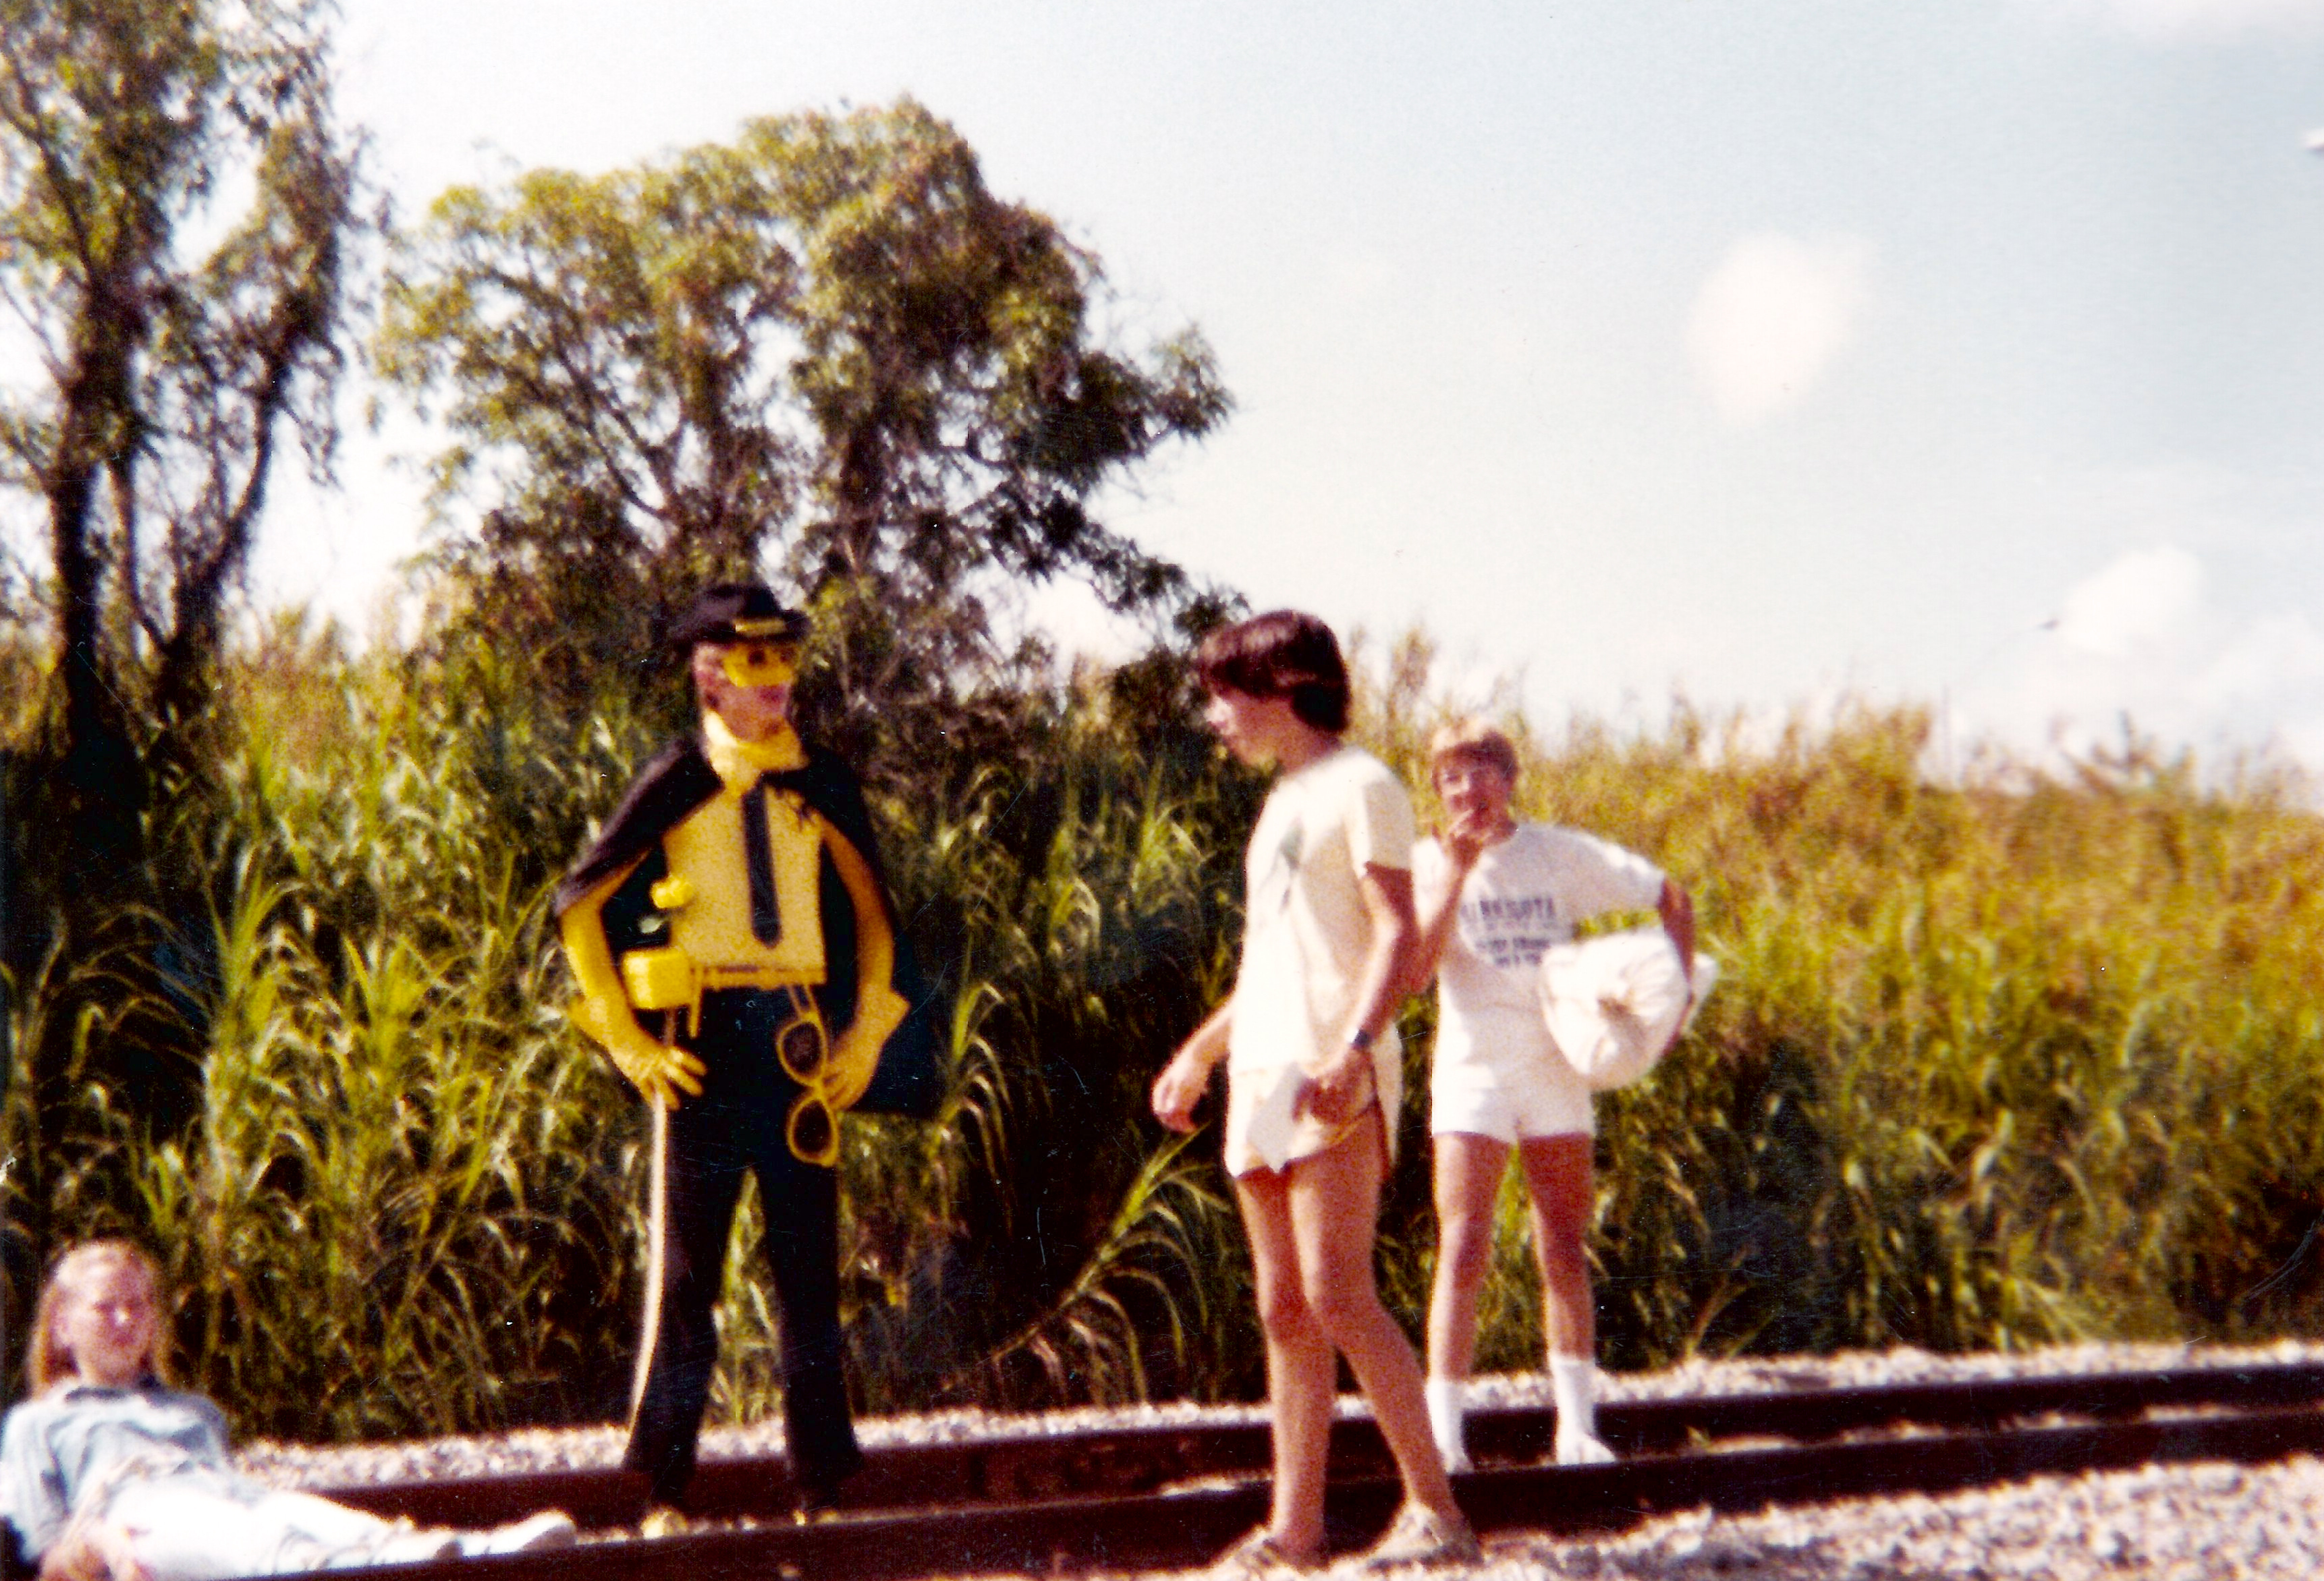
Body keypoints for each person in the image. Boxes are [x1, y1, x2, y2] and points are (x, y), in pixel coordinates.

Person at [553, 583, 933, 1521]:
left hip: (799, 1040)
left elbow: (879, 919)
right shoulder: (678, 774)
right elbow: (579, 901)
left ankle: (819, 1479)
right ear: (710, 677)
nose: (779, 686)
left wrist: (865, 1033)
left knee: (808, 1267)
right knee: (690, 1272)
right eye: (756, 667)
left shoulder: (822, 781)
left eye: (786, 663)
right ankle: (668, 1483)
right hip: (704, 1042)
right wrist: (627, 1038)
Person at [1150, 611, 1480, 1574]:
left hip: (1332, 1067)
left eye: (1225, 694)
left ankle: (1439, 1513)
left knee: (1340, 1292)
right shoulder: (1284, 798)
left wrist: (1359, 1044)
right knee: (1283, 1306)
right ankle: (1295, 1534)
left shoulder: (1364, 783)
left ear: (1286, 686)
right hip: (1261, 1066)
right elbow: (1274, 959)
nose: (1215, 717)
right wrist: (1202, 1053)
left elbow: (1394, 930)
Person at [1405, 719, 1696, 1472]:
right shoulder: (1428, 863)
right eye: (1452, 778)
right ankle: (1445, 1438)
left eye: (1481, 772)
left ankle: (1577, 1430)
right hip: (1473, 1072)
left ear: (1509, 778)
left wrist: (1675, 1009)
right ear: (1438, 791)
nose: (1468, 789)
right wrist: (1459, 873)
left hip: (1557, 1069)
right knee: (1463, 1245)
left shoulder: (1557, 852)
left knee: (1562, 1244)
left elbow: (1670, 893)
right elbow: (1413, 972)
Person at [0, 1241, 576, 1581]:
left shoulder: (195, 1411)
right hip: (136, 1511)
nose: (128, 1321)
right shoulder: (39, 1423)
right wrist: (95, 1544)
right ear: (63, 1325)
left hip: (226, 1494)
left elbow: (235, 1495)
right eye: (107, 1308)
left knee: (331, 1521)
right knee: (274, 1547)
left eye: (139, 1305)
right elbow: (40, 1561)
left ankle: (482, 1553)